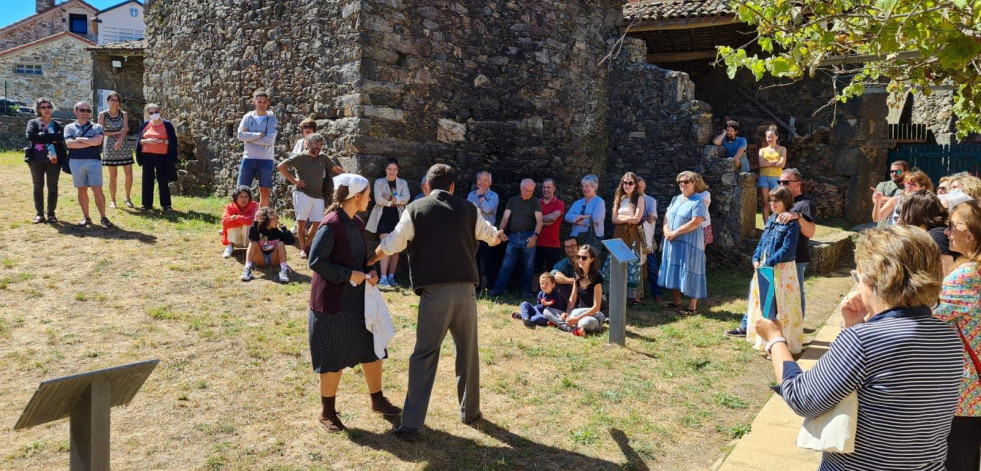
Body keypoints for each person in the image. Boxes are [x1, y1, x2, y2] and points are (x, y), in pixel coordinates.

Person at [756, 225, 962, 470]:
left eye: (858, 276)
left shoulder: (864, 341)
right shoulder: (948, 337)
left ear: (873, 279)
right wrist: (851, 326)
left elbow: (802, 397)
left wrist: (775, 338)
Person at [368, 163, 504, 440]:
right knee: (467, 353)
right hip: (466, 292)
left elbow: (393, 243)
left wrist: (370, 258)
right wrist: (497, 237)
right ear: (453, 186)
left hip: (435, 294)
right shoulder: (469, 209)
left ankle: (412, 423)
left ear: (427, 186)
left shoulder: (416, 209)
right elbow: (490, 235)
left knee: (424, 355)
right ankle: (471, 412)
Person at [306, 173, 401, 432]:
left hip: (357, 301)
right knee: (332, 357)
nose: (370, 198)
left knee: (371, 349)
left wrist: (370, 271)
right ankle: (327, 412)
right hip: (331, 303)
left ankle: (377, 400)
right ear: (356, 196)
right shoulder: (332, 223)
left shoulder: (356, 222)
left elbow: (359, 256)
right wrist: (350, 275)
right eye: (368, 194)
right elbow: (315, 262)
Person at [727, 168, 816, 337]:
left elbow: (810, 232)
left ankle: (794, 331)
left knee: (791, 298)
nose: (781, 184)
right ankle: (749, 326)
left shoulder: (805, 204)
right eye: (779, 182)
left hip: (793, 259)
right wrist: (757, 258)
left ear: (797, 184)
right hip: (770, 261)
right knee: (759, 293)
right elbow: (763, 241)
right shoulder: (774, 215)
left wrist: (797, 216)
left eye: (785, 182)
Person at [934, 200, 981, 471]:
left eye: (952, 225)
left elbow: (928, 316)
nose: (947, 232)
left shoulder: (967, 274)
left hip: (966, 392)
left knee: (959, 459)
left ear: (971, 233)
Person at [745, 186, 803, 353]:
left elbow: (788, 250)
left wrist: (767, 262)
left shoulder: (792, 223)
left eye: (776, 200)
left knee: (781, 307)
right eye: (770, 200)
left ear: (786, 201)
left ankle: (783, 346)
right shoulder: (772, 219)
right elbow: (763, 241)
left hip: (782, 271)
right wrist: (756, 258)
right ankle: (765, 342)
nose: (772, 203)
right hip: (765, 267)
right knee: (765, 304)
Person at [659, 171, 708, 315]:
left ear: (694, 183)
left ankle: (692, 306)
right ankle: (676, 301)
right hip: (673, 240)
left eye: (686, 181)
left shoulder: (699, 201)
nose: (682, 184)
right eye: (680, 181)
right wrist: (666, 230)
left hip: (689, 242)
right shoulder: (676, 199)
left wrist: (676, 232)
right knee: (673, 268)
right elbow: (667, 216)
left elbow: (696, 221)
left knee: (691, 269)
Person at [277, 133, 332, 259]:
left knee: (317, 222)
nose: (318, 147)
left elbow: (336, 168)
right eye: (315, 144)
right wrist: (294, 181)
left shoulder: (323, 157)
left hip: (318, 195)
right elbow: (281, 166)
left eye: (320, 145)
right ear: (307, 144)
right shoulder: (300, 157)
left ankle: (308, 245)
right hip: (302, 193)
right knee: (301, 222)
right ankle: (303, 249)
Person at [491, 178, 543, 297]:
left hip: (529, 235)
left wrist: (535, 236)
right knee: (506, 264)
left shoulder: (535, 202)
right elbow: (505, 219)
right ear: (521, 188)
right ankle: (498, 290)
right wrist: (501, 231)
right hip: (513, 236)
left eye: (531, 191)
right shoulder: (513, 200)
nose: (528, 193)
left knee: (528, 266)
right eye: (526, 190)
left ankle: (527, 292)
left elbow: (539, 221)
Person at [64, 101, 111, 228]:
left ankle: (103, 217)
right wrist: (89, 141)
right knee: (82, 189)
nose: (85, 113)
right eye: (82, 110)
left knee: (97, 189)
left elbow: (98, 142)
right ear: (76, 112)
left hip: (94, 162)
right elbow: (69, 144)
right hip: (76, 162)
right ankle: (86, 217)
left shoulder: (97, 127)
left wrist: (79, 139)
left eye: (88, 111)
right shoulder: (69, 127)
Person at [542, 244, 605, 336]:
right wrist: (567, 313)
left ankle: (562, 325)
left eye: (584, 258)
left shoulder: (597, 278)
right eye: (578, 257)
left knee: (585, 323)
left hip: (592, 316)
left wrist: (576, 318)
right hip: (576, 312)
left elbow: (596, 308)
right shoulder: (577, 275)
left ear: (591, 259)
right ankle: (574, 330)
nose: (580, 260)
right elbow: (572, 299)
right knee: (546, 311)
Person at [366, 158, 410, 288]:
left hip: (398, 217)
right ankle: (383, 277)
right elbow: (379, 199)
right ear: (385, 169)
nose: (392, 172)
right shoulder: (379, 182)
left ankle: (391, 277)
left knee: (396, 248)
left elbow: (406, 198)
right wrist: (395, 200)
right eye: (390, 169)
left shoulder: (402, 183)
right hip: (383, 217)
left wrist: (389, 198)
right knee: (385, 245)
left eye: (395, 169)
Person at [605, 172, 646, 304]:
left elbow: (637, 219)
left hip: (632, 234)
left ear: (635, 185)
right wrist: (628, 219)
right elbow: (613, 219)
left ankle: (632, 297)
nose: (627, 185)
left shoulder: (639, 198)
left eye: (630, 183)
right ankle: (612, 293)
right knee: (614, 261)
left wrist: (622, 219)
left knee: (633, 264)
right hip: (618, 233)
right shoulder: (619, 198)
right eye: (625, 182)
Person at [24, 98, 66, 224]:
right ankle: (39, 214)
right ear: (38, 110)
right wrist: (51, 139)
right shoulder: (33, 122)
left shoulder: (58, 124)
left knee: (52, 187)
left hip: (54, 161)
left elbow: (60, 137)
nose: (47, 109)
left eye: (49, 107)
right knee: (38, 186)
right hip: (36, 160)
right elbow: (30, 136)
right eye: (43, 107)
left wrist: (42, 136)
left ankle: (51, 213)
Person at [237, 90, 278, 208]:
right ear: (254, 102)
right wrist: (260, 134)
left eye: (264, 102)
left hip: (266, 159)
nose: (262, 104)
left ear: (268, 103)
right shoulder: (247, 117)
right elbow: (240, 136)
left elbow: (270, 140)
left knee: (264, 191)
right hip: (248, 157)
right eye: (259, 102)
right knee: (241, 189)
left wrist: (249, 137)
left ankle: (260, 220)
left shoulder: (272, 119)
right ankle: (241, 218)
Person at [898, 190, 955, 275]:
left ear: (913, 212)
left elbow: (945, 271)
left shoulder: (937, 235)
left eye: (903, 212)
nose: (901, 217)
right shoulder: (928, 234)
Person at [135, 103, 178, 212]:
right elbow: (139, 141)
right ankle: (146, 204)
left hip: (162, 156)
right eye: (151, 112)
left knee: (162, 179)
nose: (154, 114)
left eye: (156, 112)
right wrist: (147, 141)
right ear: (148, 114)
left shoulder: (167, 125)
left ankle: (166, 205)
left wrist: (161, 141)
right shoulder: (145, 125)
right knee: (147, 179)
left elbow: (172, 142)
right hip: (147, 155)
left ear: (160, 112)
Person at [98, 91, 133, 209]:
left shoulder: (124, 114)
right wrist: (117, 132)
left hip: (123, 145)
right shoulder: (102, 114)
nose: (115, 102)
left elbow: (125, 129)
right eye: (112, 100)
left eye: (117, 100)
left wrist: (119, 139)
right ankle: (113, 200)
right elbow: (100, 131)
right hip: (109, 146)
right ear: (108, 102)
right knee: (113, 176)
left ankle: (127, 198)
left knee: (129, 174)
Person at [241, 207, 295, 283]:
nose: (277, 221)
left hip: (274, 259)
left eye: (277, 218)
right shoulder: (259, 231)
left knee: (281, 243)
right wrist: (256, 221)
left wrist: (285, 230)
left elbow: (291, 241)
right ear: (266, 220)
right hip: (261, 258)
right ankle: (247, 268)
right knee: (253, 243)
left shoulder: (278, 233)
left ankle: (283, 269)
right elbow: (252, 237)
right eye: (274, 219)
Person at [467, 171, 500, 290]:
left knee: (489, 261)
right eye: (480, 179)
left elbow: (488, 209)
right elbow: (470, 212)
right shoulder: (471, 195)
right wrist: (481, 209)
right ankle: (476, 286)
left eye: (485, 180)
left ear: (490, 182)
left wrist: (481, 197)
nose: (482, 182)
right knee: (474, 260)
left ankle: (491, 287)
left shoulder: (494, 196)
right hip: (474, 233)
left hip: (488, 233)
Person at [534, 178, 565, 281]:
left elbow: (553, 217)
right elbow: (532, 218)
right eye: (544, 187)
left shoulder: (559, 203)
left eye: (548, 187)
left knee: (554, 271)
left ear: (554, 189)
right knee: (536, 269)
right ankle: (533, 293)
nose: (546, 189)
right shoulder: (537, 203)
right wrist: (545, 221)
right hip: (538, 242)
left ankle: (554, 292)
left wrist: (539, 220)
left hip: (553, 243)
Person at [637, 176, 662, 301]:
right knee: (636, 267)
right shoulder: (630, 200)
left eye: (640, 187)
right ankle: (636, 295)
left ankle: (656, 293)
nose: (639, 189)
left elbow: (651, 217)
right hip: (634, 238)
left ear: (645, 186)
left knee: (652, 266)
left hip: (647, 238)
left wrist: (638, 218)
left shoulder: (651, 200)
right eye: (637, 187)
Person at [564, 174, 606, 247]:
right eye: (583, 186)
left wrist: (580, 222)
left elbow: (596, 219)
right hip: (575, 238)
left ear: (594, 187)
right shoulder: (577, 202)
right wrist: (576, 218)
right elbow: (567, 216)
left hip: (592, 238)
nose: (584, 189)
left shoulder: (599, 202)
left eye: (587, 186)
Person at [757, 126, 787, 222]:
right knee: (765, 203)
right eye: (768, 137)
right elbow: (761, 164)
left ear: (776, 137)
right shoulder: (762, 150)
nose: (770, 139)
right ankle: (766, 226)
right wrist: (775, 161)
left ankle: (775, 223)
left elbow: (782, 164)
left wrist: (767, 163)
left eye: (772, 137)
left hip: (776, 178)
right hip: (764, 178)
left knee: (776, 202)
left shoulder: (782, 149)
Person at [221, 185, 258, 258]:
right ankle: (230, 247)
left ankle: (252, 247)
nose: (244, 199)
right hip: (235, 239)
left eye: (246, 196)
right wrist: (242, 220)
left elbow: (251, 220)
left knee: (249, 223)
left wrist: (236, 217)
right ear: (236, 198)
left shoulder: (254, 206)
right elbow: (225, 222)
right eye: (241, 196)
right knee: (231, 223)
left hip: (249, 239)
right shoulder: (229, 207)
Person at [871, 160, 908, 226]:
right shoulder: (882, 185)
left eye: (898, 171)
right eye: (892, 171)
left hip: (900, 228)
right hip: (882, 226)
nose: (894, 173)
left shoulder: (909, 187)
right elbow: (876, 200)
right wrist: (898, 201)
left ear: (906, 173)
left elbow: (909, 203)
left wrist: (885, 199)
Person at [550, 236, 580, 302]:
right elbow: (553, 274)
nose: (569, 249)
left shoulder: (585, 261)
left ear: (578, 247)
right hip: (570, 295)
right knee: (558, 283)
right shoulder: (564, 263)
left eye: (572, 246)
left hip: (585, 295)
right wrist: (571, 281)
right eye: (567, 247)